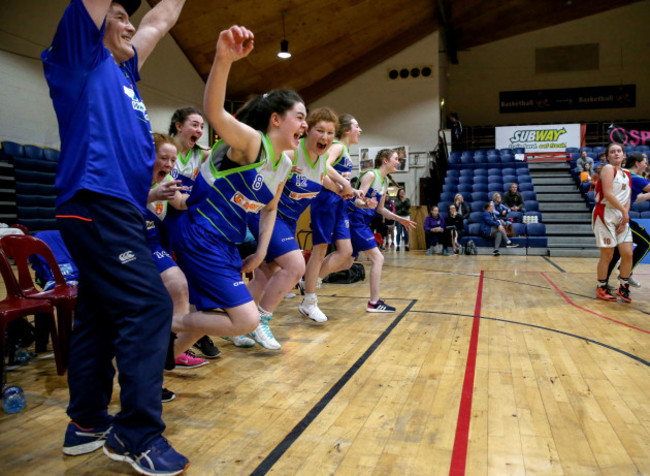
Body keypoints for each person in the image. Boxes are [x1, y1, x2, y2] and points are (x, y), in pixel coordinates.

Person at [42, 0, 190, 473]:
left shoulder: (125, 76)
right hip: (95, 203)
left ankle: (86, 423)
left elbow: (161, 18)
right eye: (119, 16)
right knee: (149, 305)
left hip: (118, 208)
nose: (131, 25)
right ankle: (135, 434)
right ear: (94, 24)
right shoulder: (78, 57)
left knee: (98, 317)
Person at [169, 26, 305, 357]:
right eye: (300, 117)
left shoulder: (284, 164)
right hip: (201, 234)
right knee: (244, 320)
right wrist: (223, 60)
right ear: (275, 119)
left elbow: (270, 209)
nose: (305, 124)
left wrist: (259, 253)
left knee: (215, 317)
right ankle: (165, 319)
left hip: (226, 242)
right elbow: (215, 113)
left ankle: (161, 364)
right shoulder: (252, 144)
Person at [246, 107, 339, 344]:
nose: (325, 137)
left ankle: (237, 322)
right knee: (296, 265)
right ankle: (260, 320)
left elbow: (326, 179)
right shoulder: (290, 155)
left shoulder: (321, 162)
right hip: (266, 216)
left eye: (330, 132)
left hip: (287, 222)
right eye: (320, 130)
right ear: (308, 131)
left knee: (266, 274)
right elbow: (258, 180)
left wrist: (349, 189)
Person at [145, 133, 207, 400]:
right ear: (149, 156)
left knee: (179, 289)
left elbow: (181, 202)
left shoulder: (167, 179)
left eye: (173, 159)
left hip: (152, 243)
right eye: (164, 158)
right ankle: (162, 355)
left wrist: (207, 192)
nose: (170, 164)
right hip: (128, 243)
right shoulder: (131, 177)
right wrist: (153, 194)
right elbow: (120, 205)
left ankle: (169, 350)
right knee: (174, 289)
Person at [298, 114, 358, 322]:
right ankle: (309, 299)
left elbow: (340, 181)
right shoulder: (338, 146)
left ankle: (311, 281)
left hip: (338, 203)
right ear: (348, 130)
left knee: (346, 252)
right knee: (320, 249)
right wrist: (343, 185)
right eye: (357, 127)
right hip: (325, 201)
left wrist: (351, 191)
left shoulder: (346, 151)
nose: (360, 130)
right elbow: (322, 167)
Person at [347, 149, 416, 311]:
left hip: (363, 222)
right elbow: (356, 200)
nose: (398, 162)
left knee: (346, 262)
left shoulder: (384, 183)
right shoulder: (370, 175)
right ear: (385, 160)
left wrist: (399, 219)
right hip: (355, 220)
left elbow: (380, 209)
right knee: (378, 259)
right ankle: (374, 302)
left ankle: (309, 278)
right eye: (396, 159)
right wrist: (365, 204)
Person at [592, 143, 633, 303]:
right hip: (605, 212)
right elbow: (608, 193)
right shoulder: (608, 169)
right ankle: (601, 287)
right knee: (608, 254)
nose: (616, 154)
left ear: (624, 155)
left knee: (628, 253)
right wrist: (623, 212)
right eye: (613, 152)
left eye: (619, 151)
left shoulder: (627, 174)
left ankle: (623, 286)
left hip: (620, 213)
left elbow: (628, 197)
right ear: (608, 156)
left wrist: (625, 215)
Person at [604, 152, 650, 289]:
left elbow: (634, 199)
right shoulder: (634, 177)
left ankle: (604, 282)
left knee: (617, 251)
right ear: (637, 163)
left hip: (615, 215)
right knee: (646, 243)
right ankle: (626, 273)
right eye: (645, 162)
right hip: (620, 217)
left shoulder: (627, 175)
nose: (646, 164)